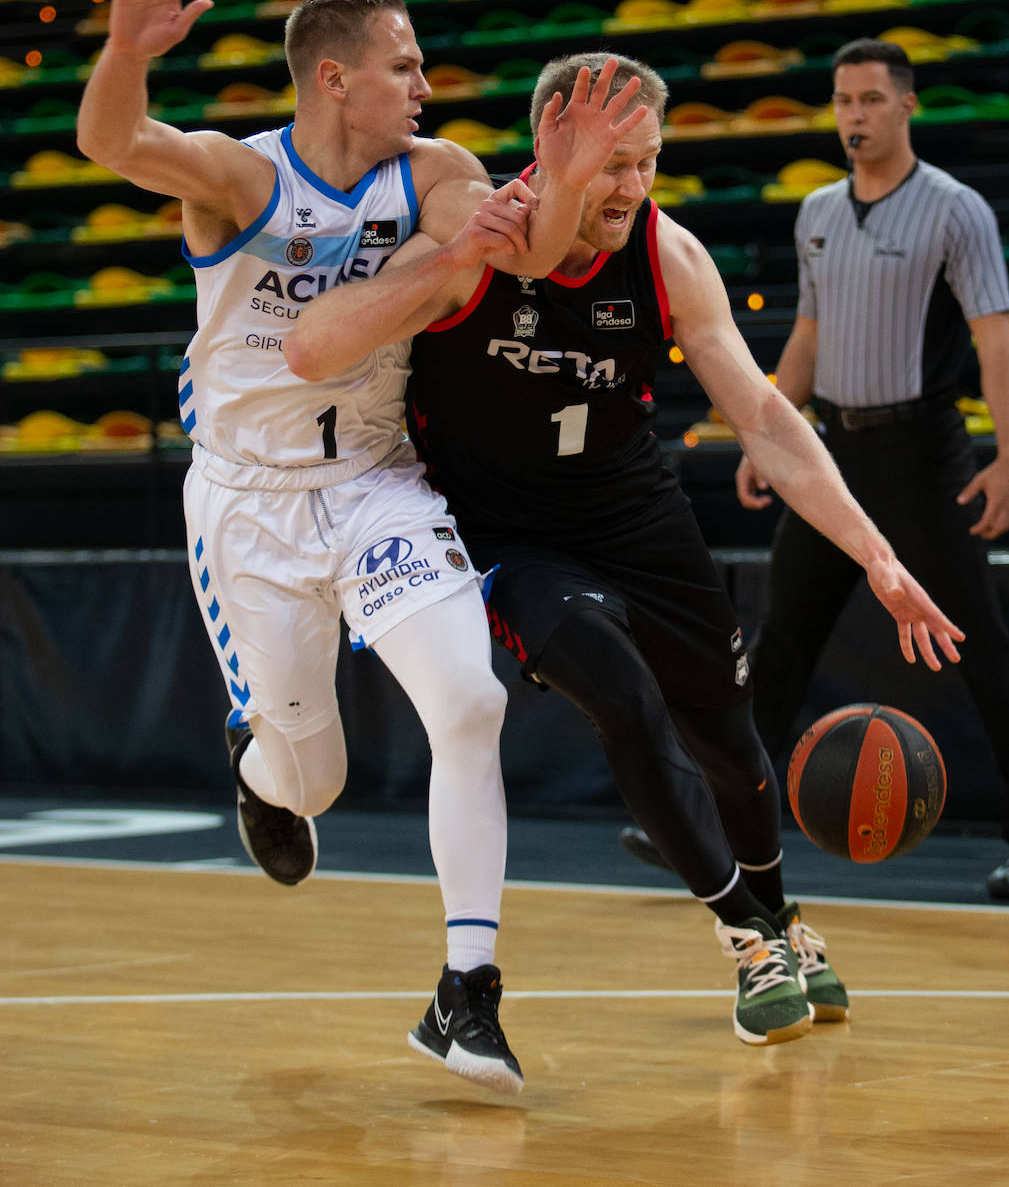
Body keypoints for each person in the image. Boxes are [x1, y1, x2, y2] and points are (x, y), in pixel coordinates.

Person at [286, 51, 965, 1049]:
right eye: (612, 164)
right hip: (508, 532)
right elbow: (336, 333)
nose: (633, 186)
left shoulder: (668, 255)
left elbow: (767, 422)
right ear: (552, 148)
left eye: (647, 161)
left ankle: (779, 918)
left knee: (728, 739)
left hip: (632, 510)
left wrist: (877, 556)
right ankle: (746, 936)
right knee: (623, 698)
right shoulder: (474, 240)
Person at [76, 0, 648, 1096]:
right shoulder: (243, 178)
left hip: (379, 485)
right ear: (334, 77)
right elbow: (112, 140)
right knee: (313, 782)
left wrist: (574, 175)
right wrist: (125, 52)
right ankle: (259, 770)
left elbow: (521, 252)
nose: (426, 85)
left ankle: (466, 993)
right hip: (249, 507)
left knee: (470, 701)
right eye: (405, 66)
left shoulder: (434, 171)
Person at [623, 37, 1009, 900]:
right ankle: (716, 826)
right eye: (842, 100)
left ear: (907, 106)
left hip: (924, 452)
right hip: (834, 451)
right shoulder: (817, 210)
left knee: (977, 643)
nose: (853, 115)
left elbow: (995, 340)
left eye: (869, 99)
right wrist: (766, 437)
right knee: (779, 642)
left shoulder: (955, 208)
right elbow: (809, 338)